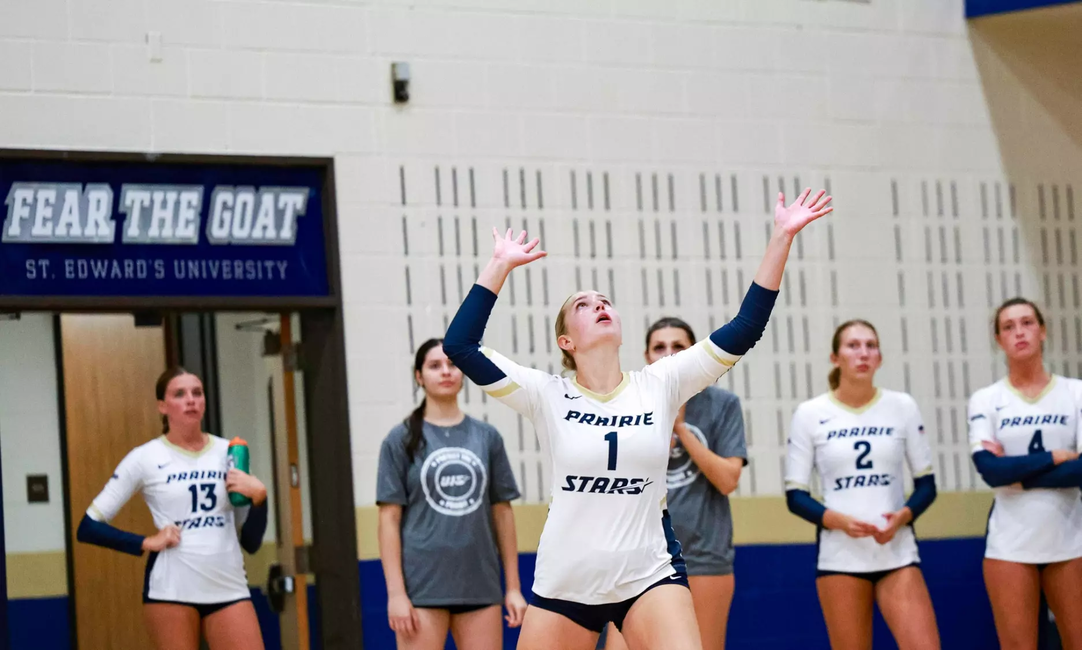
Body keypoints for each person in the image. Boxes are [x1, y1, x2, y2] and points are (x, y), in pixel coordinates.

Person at [443, 188, 832, 650]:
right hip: (566, 582)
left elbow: (745, 327)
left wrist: (782, 237)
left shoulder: (660, 382)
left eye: (604, 300)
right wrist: (500, 265)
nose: (600, 305)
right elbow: (460, 346)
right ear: (566, 342)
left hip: (648, 575)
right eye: (583, 305)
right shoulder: (545, 393)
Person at [76, 367, 269, 650]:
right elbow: (88, 527)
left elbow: (250, 542)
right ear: (162, 406)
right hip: (171, 590)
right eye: (180, 394)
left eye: (197, 393)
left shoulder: (229, 452)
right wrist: (145, 542)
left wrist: (260, 499)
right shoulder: (145, 457)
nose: (191, 400)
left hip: (228, 587)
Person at [784, 319, 940, 650]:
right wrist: (840, 521)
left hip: (896, 552)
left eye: (871, 345)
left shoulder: (902, 406)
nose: (863, 353)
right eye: (853, 346)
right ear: (835, 357)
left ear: (880, 358)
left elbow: (927, 485)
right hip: (840, 558)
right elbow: (796, 496)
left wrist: (901, 517)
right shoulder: (810, 413)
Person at [602, 317, 747, 650]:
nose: (668, 354)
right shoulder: (625, 404)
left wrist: (679, 429)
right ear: (646, 355)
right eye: (659, 347)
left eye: (678, 346)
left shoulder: (722, 405)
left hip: (703, 557)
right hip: (634, 558)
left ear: (693, 353)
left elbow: (727, 480)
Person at [376, 338, 527, 650]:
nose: (445, 371)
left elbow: (503, 513)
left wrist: (512, 587)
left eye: (452, 364)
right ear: (419, 376)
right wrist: (396, 594)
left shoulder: (487, 437)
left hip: (480, 588)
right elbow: (388, 521)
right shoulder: (399, 439)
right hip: (421, 591)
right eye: (434, 366)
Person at [968, 297, 1082, 650]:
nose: (1019, 332)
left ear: (1043, 331)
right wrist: (1056, 456)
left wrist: (1015, 474)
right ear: (999, 339)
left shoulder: (1075, 392)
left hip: (1071, 539)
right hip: (1010, 543)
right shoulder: (986, 399)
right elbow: (989, 470)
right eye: (1008, 326)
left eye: (1027, 323)